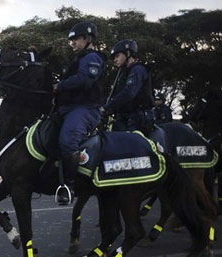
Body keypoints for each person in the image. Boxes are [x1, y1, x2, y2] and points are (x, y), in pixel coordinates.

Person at [53, 22, 106, 205]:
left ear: (88, 39)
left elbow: (85, 79)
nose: (72, 43)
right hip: (67, 108)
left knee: (68, 142)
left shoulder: (92, 58)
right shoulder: (75, 60)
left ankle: (69, 185)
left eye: (76, 39)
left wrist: (59, 86)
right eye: (71, 40)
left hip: (85, 109)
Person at [101, 39, 155, 135]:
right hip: (125, 117)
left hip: (138, 118)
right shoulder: (123, 73)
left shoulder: (137, 69)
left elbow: (129, 92)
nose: (115, 60)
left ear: (128, 53)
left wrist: (107, 107)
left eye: (117, 56)